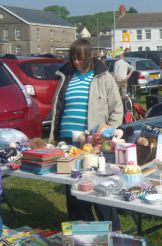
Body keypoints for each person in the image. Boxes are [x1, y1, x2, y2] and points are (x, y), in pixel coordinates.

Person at [49, 38, 123, 231]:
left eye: (80, 58)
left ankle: (113, 232)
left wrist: (107, 132)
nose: (76, 62)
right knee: (73, 190)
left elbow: (117, 110)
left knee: (99, 189)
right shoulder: (66, 76)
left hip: (94, 143)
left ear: (90, 57)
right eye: (73, 58)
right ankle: (84, 234)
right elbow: (58, 109)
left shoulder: (104, 77)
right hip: (67, 143)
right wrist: (53, 140)